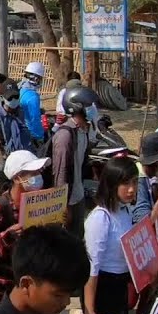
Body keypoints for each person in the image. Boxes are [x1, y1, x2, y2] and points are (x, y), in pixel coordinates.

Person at [65, 157, 139, 314]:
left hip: (118, 288)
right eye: (125, 183)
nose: (131, 189)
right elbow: (92, 268)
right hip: (100, 289)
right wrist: (90, 310)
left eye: (135, 183)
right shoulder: (101, 218)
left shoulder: (125, 211)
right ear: (111, 184)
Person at [0, 149, 49, 310]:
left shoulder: (40, 202)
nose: (38, 176)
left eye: (38, 171)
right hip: (1, 291)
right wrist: (7, 237)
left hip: (29, 288)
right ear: (17, 178)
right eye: (32, 173)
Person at [53, 86, 98, 236]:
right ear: (77, 108)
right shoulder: (65, 136)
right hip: (68, 200)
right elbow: (61, 173)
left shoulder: (83, 131)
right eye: (88, 106)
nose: (92, 109)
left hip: (78, 195)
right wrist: (63, 206)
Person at [19, 61, 47, 145]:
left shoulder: (20, 89)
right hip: (30, 135)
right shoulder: (33, 97)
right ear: (36, 79)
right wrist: (39, 136)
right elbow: (35, 119)